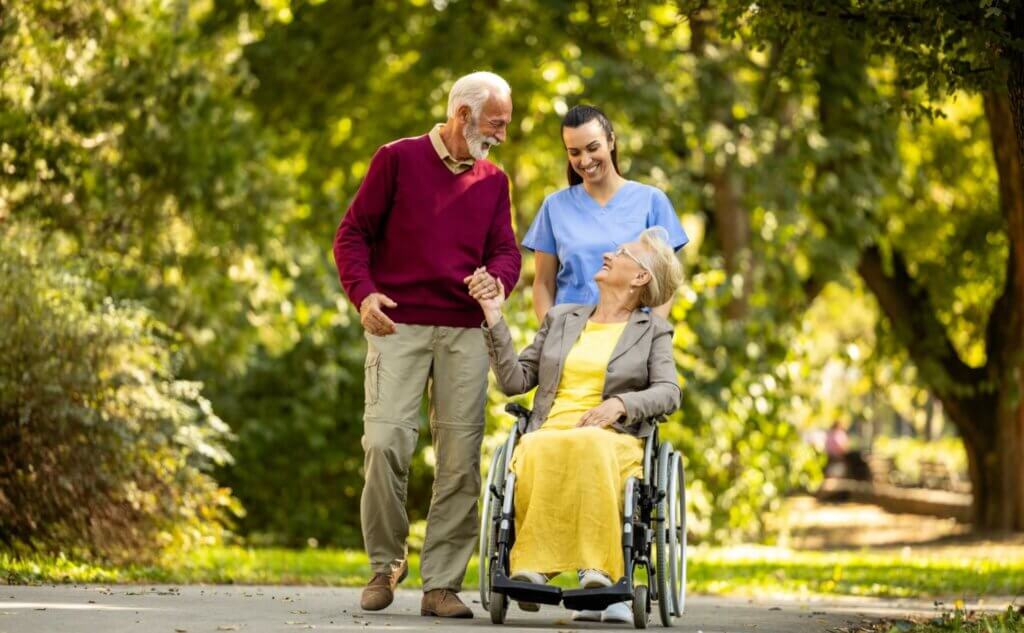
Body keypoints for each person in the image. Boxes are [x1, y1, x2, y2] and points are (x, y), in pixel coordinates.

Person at [333, 71, 521, 619]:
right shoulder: (396, 159)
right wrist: (363, 295)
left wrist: (498, 281)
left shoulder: (494, 180)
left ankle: (441, 583)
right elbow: (352, 235)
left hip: (464, 332)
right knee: (385, 441)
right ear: (462, 115)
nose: (502, 134)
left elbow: (505, 251)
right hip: (399, 325)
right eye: (497, 122)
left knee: (460, 459)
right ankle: (385, 563)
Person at [468, 227, 683, 624]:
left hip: (613, 438)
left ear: (640, 278)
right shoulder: (562, 318)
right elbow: (515, 381)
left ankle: (598, 568)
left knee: (590, 444)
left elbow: (669, 391)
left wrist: (620, 404)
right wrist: (494, 315)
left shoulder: (652, 331)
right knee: (533, 446)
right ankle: (532, 564)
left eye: (621, 252)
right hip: (552, 428)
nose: (608, 254)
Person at [523, 105, 688, 322]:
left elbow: (666, 284)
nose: (585, 160)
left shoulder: (651, 201)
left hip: (631, 340)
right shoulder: (554, 207)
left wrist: (651, 336)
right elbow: (544, 283)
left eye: (592, 148)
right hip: (570, 337)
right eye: (575, 152)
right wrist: (551, 334)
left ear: (611, 141)